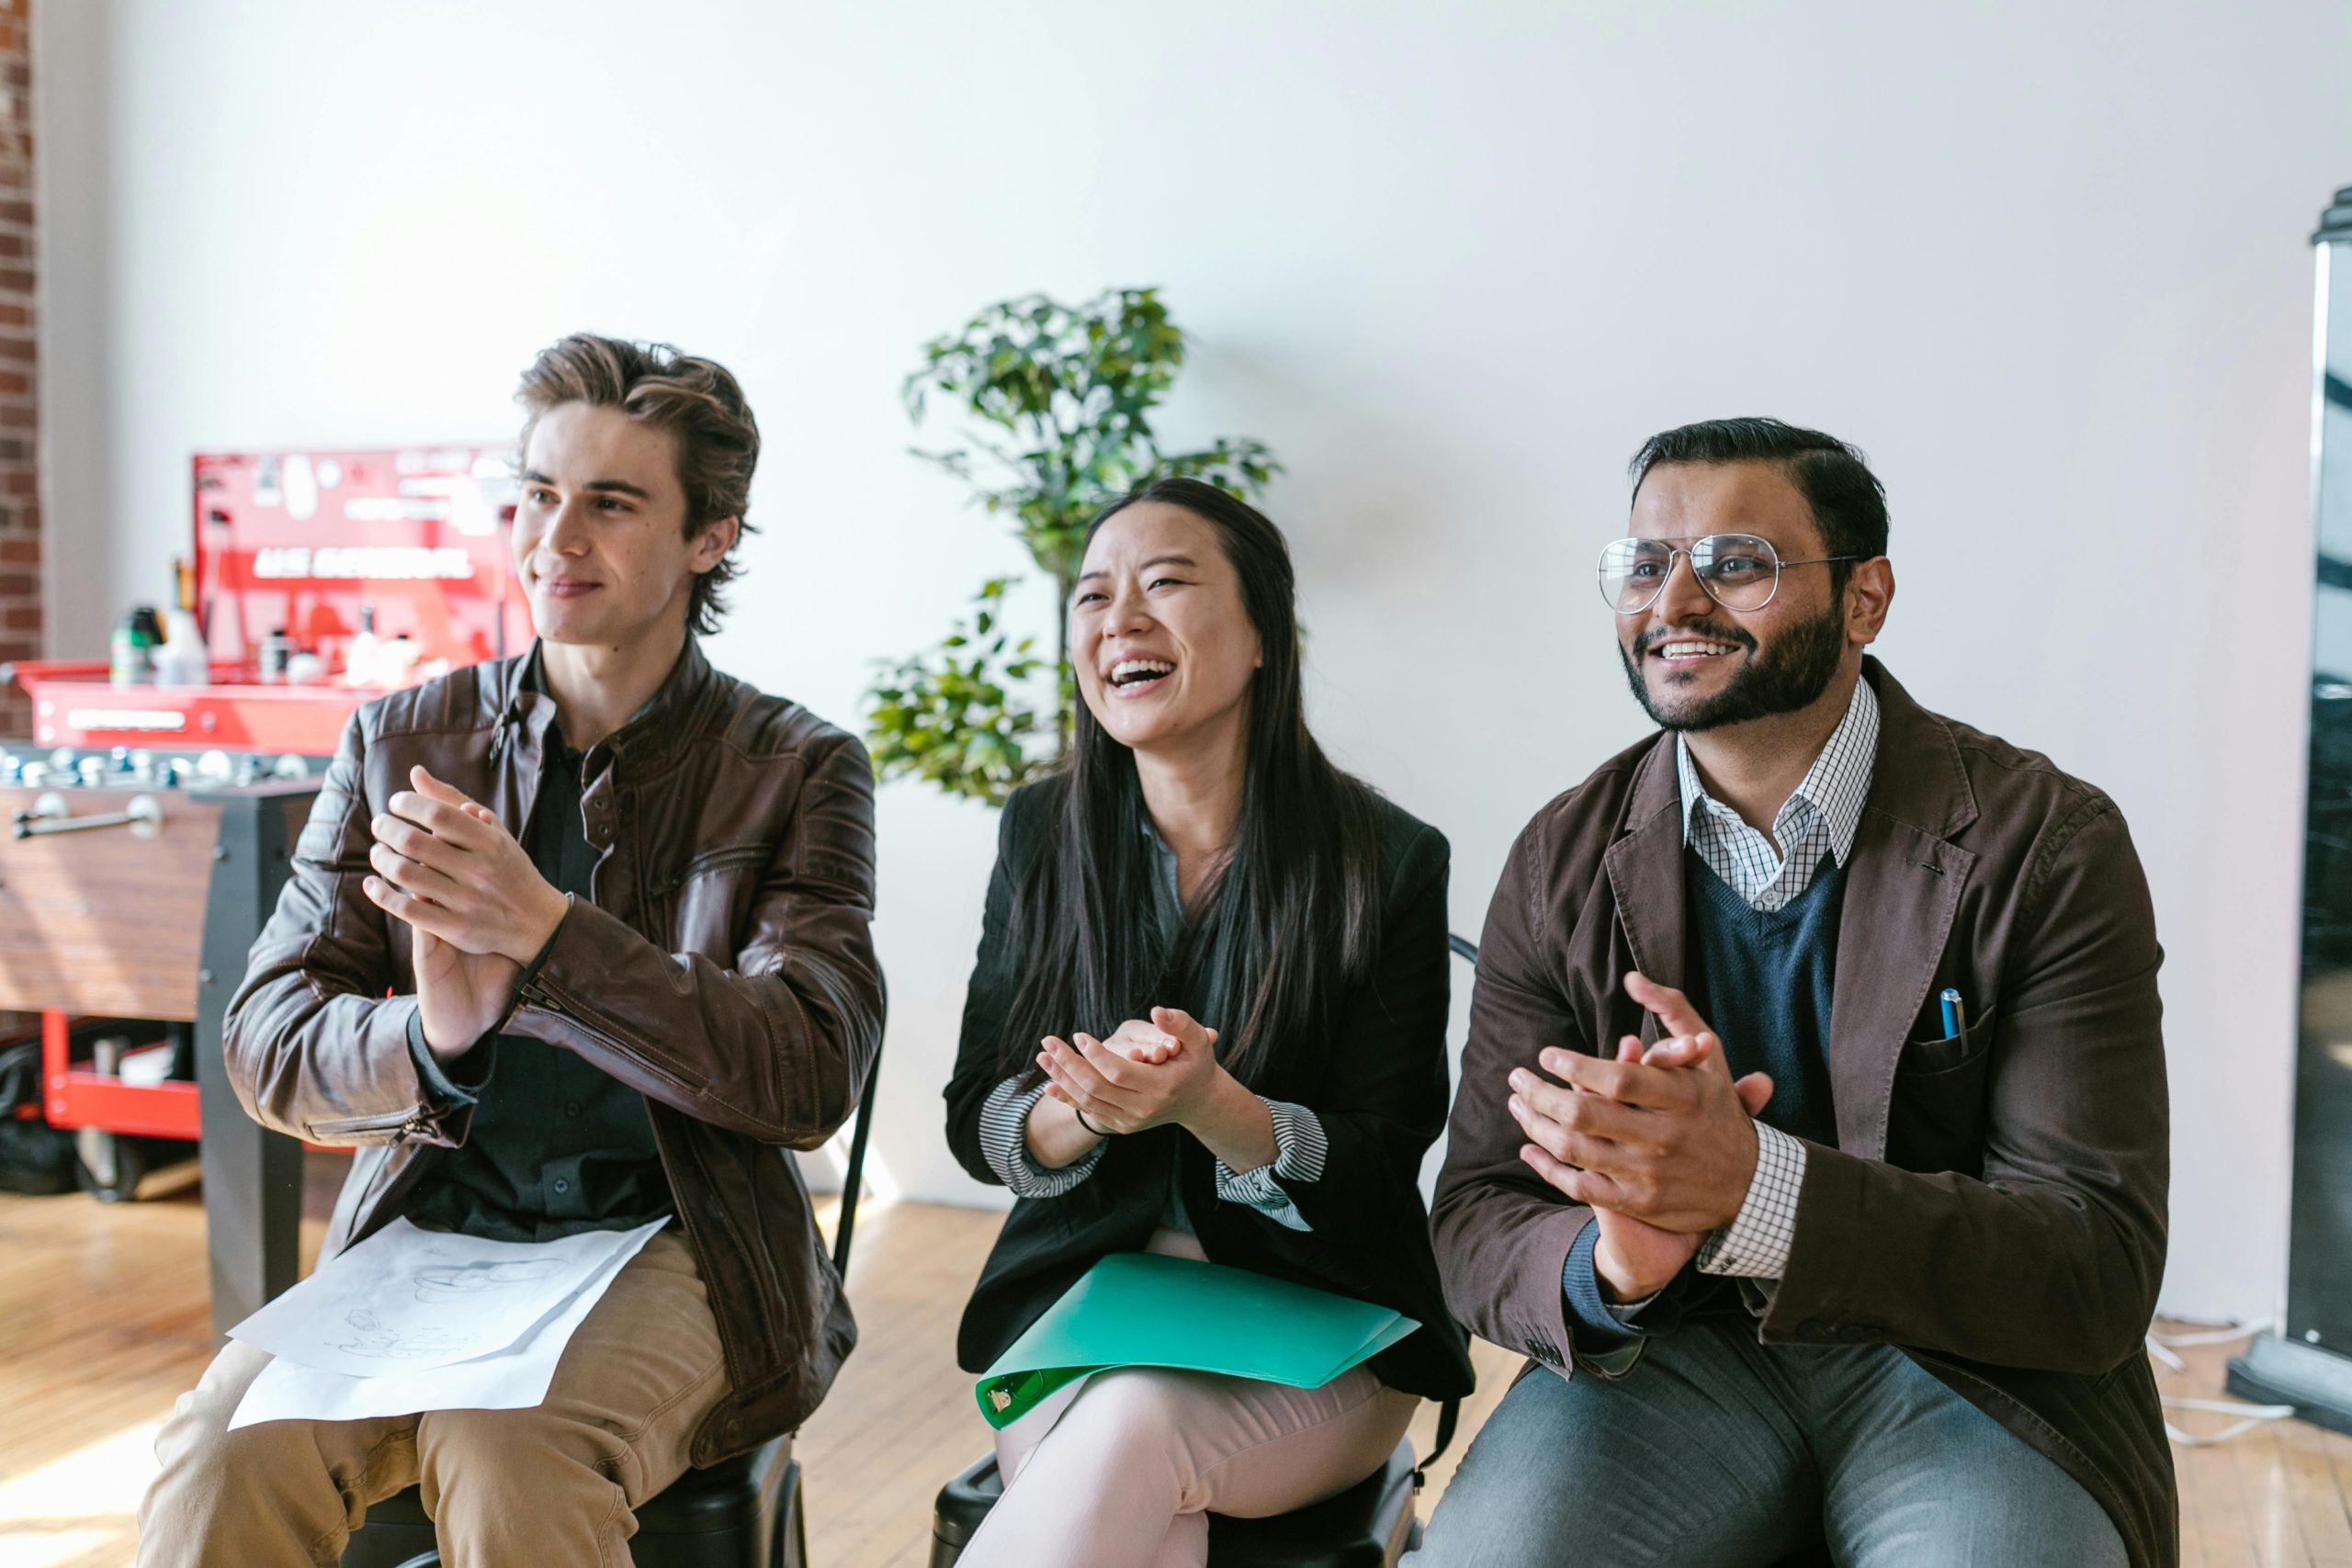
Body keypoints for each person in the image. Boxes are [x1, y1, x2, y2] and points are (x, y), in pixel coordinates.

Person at [138, 333, 887, 1566]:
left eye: (611, 501)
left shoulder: (796, 766)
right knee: (218, 1451)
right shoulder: (401, 737)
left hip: (678, 1235)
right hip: (435, 1232)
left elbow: (809, 1069)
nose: (557, 537)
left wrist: (551, 931)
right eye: (539, 494)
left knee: (511, 1456)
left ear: (712, 537)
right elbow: (265, 1036)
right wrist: (427, 1037)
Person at [1413, 419, 2174, 1567]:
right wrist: (1612, 1264)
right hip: (1675, 1354)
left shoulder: (2046, 844)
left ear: (1863, 599)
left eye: (1735, 563)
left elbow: (2092, 1263)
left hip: (1972, 1371)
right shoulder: (1561, 855)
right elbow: (1474, 1215)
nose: (1675, 600)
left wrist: (1754, 1186)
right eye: (1643, 564)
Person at [943, 476, 1475, 1568]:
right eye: (1091, 599)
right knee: (1142, 1481)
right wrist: (1080, 1112)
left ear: (1263, 634)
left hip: (1324, 1333)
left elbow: (1378, 1167)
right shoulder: (1043, 833)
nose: (1119, 621)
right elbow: (975, 1118)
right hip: (1086, 1317)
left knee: (1134, 1433)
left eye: (1166, 584)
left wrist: (1219, 1111)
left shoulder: (1385, 860)